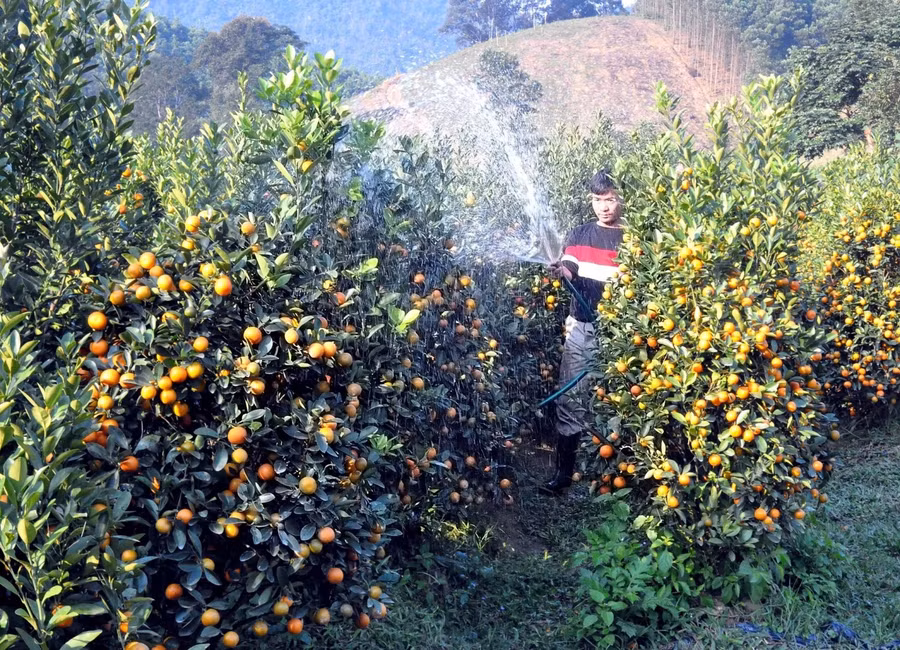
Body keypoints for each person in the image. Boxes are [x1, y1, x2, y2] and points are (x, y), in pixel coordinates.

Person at [541, 169, 624, 495]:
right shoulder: (580, 234)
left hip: (620, 334)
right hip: (583, 329)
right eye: (598, 200)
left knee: (616, 401)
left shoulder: (633, 239)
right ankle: (564, 475)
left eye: (610, 199)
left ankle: (613, 475)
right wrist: (561, 269)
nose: (604, 207)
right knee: (571, 397)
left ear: (621, 199)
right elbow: (570, 268)